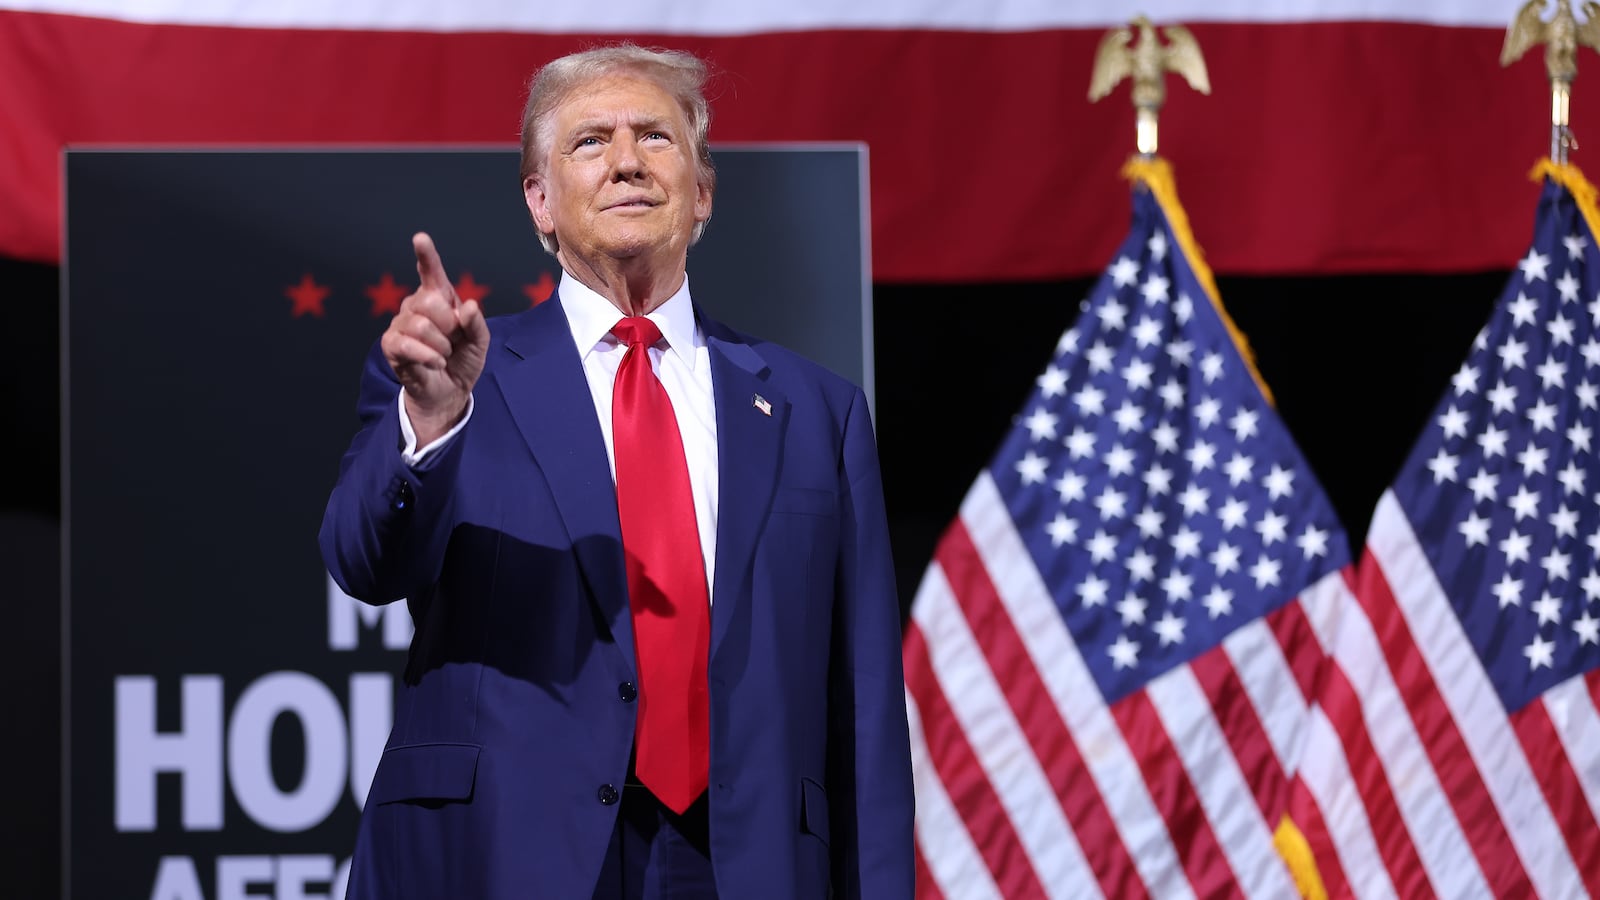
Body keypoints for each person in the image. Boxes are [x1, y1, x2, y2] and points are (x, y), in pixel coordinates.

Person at [319, 44, 913, 900]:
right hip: (500, 857)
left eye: (656, 138)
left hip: (748, 867)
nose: (627, 160)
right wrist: (433, 420)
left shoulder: (818, 413)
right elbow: (363, 562)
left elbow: (863, 715)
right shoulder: (459, 377)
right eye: (591, 141)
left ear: (702, 192)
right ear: (540, 202)